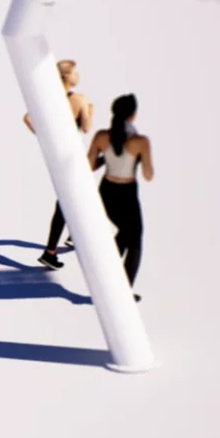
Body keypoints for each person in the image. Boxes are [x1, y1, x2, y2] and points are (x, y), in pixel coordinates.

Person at [24, 58, 94, 269]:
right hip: (73, 156)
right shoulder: (79, 99)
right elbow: (86, 127)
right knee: (66, 202)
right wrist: (90, 108)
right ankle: (50, 251)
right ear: (66, 77)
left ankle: (72, 236)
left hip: (57, 156)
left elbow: (27, 118)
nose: (78, 76)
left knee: (73, 197)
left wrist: (45, 137)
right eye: (75, 73)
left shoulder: (48, 98)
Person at [87, 93, 153, 298]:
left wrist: (108, 160)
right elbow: (148, 175)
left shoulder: (101, 136)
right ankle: (122, 289)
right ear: (133, 115)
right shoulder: (140, 141)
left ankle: (109, 280)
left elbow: (89, 165)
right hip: (127, 194)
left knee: (125, 235)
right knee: (135, 240)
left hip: (107, 191)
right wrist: (141, 158)